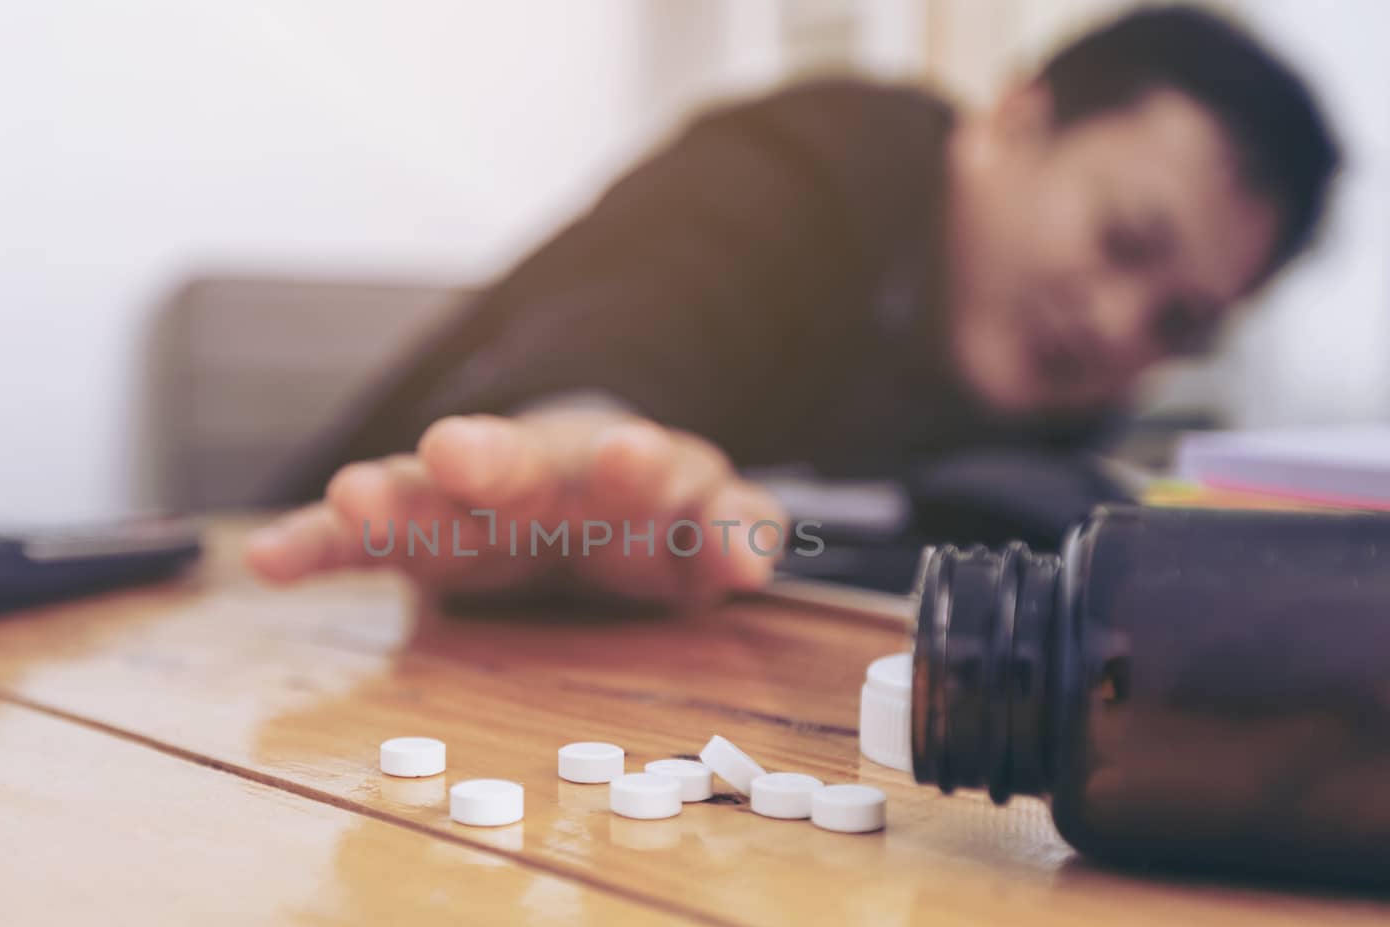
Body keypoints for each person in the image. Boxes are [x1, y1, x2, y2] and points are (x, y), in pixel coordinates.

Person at [246, 4, 1338, 609]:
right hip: (317, 608)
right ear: (1014, 119)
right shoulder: (802, 165)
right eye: (1123, 240)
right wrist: (573, 460)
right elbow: (620, 332)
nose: (1115, 325)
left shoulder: (1054, 421)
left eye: (1180, 323)